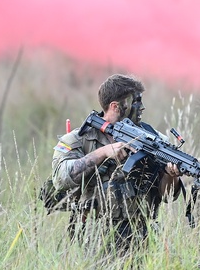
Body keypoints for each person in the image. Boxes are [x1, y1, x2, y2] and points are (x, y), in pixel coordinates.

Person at [51, 73, 183, 253]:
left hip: (142, 235)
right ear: (115, 106)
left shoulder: (154, 140)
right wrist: (103, 152)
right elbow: (61, 178)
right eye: (136, 102)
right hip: (93, 236)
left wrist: (171, 175)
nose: (142, 107)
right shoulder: (79, 139)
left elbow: (167, 196)